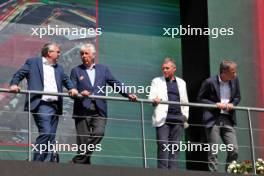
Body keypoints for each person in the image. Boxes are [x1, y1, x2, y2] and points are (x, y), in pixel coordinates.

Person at [9, 42, 78, 162]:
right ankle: (37, 161)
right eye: (57, 51)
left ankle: (49, 161)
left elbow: (66, 80)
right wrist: (14, 84)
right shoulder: (33, 62)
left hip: (55, 106)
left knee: (51, 136)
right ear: (49, 52)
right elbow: (19, 74)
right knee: (45, 133)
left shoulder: (59, 68)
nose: (59, 53)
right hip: (41, 104)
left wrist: (72, 88)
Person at [70, 43, 137, 164]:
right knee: (83, 142)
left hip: (99, 109)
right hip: (82, 109)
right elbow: (72, 88)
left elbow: (115, 83)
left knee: (99, 133)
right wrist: (80, 93)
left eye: (86, 53)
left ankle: (77, 160)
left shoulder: (103, 69)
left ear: (93, 55)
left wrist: (128, 94)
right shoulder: (76, 70)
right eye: (82, 54)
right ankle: (82, 165)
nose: (84, 56)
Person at [197, 60, 241, 171]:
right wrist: (215, 105)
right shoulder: (209, 82)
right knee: (213, 151)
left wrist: (233, 104)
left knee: (234, 150)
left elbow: (237, 97)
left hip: (228, 119)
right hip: (212, 119)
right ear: (224, 72)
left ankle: (229, 171)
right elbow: (200, 99)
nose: (235, 74)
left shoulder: (235, 80)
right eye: (233, 72)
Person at [148, 57, 189, 169]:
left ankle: (173, 172)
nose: (164, 70)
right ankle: (162, 172)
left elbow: (185, 101)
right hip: (163, 119)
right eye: (163, 68)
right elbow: (151, 98)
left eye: (167, 68)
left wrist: (184, 116)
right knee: (162, 145)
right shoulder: (156, 81)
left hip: (178, 119)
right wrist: (154, 100)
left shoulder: (181, 82)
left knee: (174, 148)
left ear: (174, 69)